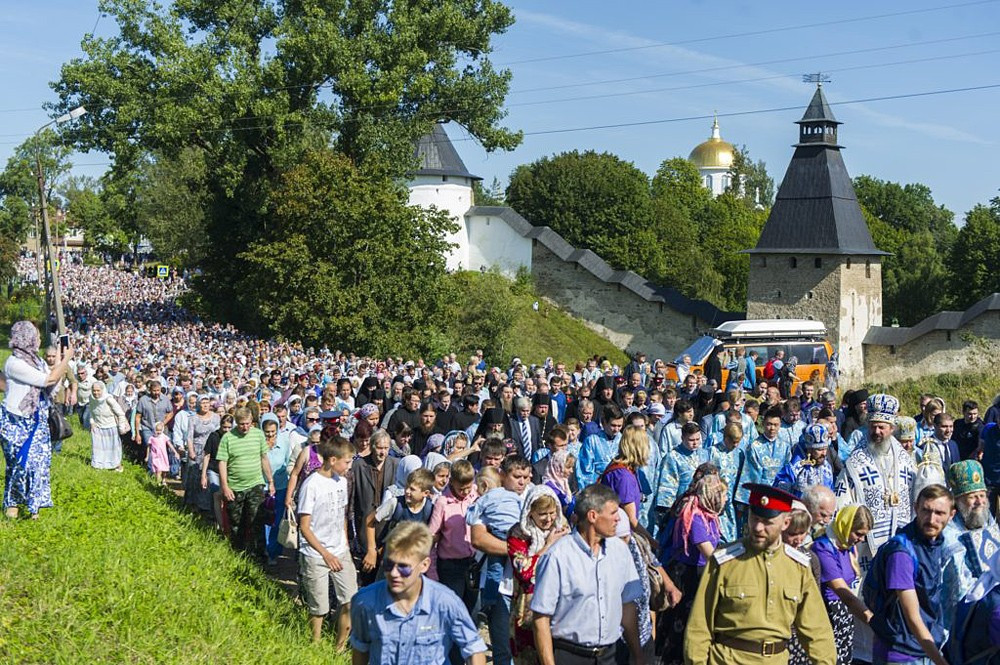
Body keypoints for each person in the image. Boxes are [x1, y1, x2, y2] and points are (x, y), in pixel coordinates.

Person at [683, 483, 837, 665]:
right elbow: (699, 627)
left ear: (785, 523)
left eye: (767, 522)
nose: (757, 527)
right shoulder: (724, 561)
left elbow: (818, 632)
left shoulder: (799, 568)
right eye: (754, 519)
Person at [835, 393, 917, 663]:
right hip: (866, 551)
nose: (877, 431)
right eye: (873, 425)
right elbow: (842, 502)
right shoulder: (855, 464)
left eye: (882, 426)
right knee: (867, 609)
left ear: (892, 428)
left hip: (900, 550)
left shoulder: (907, 462)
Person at [530, 484, 646, 665]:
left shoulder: (620, 551)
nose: (618, 519)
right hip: (569, 655)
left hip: (611, 656)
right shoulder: (557, 556)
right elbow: (541, 618)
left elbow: (627, 606)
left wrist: (638, 654)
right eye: (613, 513)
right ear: (593, 516)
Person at [349, 521, 488, 665]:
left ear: (424, 565)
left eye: (404, 567)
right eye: (388, 564)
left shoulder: (445, 603)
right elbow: (360, 648)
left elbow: (473, 648)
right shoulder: (365, 602)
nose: (394, 573)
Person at [863, 484, 955, 665]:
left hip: (924, 648)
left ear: (951, 515)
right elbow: (912, 617)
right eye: (926, 511)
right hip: (901, 653)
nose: (931, 519)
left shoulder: (934, 543)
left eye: (939, 513)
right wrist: (941, 661)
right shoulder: (902, 553)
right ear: (915, 509)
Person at [2, 321, 73, 519]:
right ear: (26, 338)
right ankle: (13, 507)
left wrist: (60, 358)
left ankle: (34, 508)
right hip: (17, 421)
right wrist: (66, 359)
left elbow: (51, 384)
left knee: (39, 465)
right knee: (20, 465)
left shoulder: (37, 361)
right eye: (36, 335)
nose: (39, 339)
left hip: (38, 419)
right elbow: (46, 380)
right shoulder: (14, 363)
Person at [658, 464, 727, 665]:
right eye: (721, 495)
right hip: (687, 576)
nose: (724, 499)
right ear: (711, 495)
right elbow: (709, 552)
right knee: (682, 624)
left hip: (699, 572)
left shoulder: (709, 515)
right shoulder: (695, 516)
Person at [297, 436, 356, 647]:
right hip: (316, 554)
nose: (350, 466)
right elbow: (304, 526)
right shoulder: (312, 485)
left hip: (340, 550)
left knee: (350, 599)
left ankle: (339, 648)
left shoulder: (342, 482)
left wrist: (345, 543)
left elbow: (341, 515)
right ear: (332, 460)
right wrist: (325, 554)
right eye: (347, 462)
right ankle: (315, 644)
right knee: (319, 607)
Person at [507, 485, 570, 664]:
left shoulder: (562, 529)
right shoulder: (518, 534)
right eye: (542, 514)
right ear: (530, 512)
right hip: (527, 607)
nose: (549, 519)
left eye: (552, 513)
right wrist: (548, 546)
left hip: (559, 606)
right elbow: (525, 571)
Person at [811, 504, 875, 664]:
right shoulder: (823, 548)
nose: (861, 539)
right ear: (845, 526)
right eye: (858, 534)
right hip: (828, 617)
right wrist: (872, 620)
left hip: (844, 618)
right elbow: (842, 592)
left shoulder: (846, 547)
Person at [941, 459, 1000, 628]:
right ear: (958, 501)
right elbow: (959, 588)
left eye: (982, 495)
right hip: (966, 618)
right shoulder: (949, 536)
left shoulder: (989, 521)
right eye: (972, 497)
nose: (980, 502)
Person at [218, 406, 276, 558]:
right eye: (241, 424)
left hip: (255, 484)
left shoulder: (258, 435)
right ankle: (239, 553)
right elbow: (222, 463)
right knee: (237, 522)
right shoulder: (228, 438)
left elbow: (264, 458)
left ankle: (259, 553)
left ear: (252, 421)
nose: (245, 427)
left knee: (257, 519)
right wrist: (225, 486)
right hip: (235, 486)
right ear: (236, 422)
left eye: (247, 423)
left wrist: (270, 481)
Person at [87, 379, 127, 471]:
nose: (96, 393)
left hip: (110, 427)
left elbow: (120, 413)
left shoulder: (109, 399)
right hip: (98, 427)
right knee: (98, 448)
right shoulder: (91, 398)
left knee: (113, 448)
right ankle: (99, 465)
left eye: (98, 390)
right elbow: (92, 411)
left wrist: (121, 427)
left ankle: (116, 466)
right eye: (94, 390)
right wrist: (92, 422)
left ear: (102, 390)